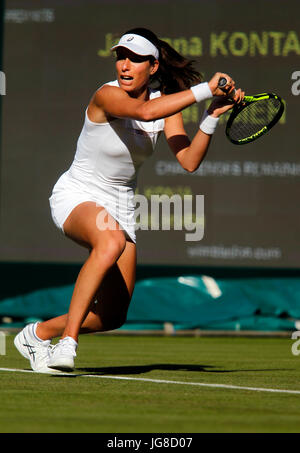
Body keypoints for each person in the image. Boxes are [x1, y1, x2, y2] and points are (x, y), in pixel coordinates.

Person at [14, 28, 243, 373]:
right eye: (121, 56)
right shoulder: (107, 95)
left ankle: (37, 334)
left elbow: (189, 160)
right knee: (110, 242)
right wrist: (205, 89)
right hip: (77, 194)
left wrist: (211, 115)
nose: (124, 65)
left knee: (112, 316)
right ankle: (67, 344)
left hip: (121, 205)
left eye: (135, 59)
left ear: (152, 67)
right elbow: (146, 114)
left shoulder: (165, 102)